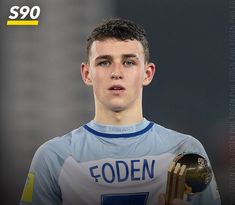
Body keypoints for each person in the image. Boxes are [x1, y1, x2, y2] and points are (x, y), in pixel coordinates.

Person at [19, 18, 221, 205]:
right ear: (87, 74)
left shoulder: (185, 152)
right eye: (104, 62)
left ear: (147, 73)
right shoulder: (54, 156)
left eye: (129, 62)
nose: (116, 73)